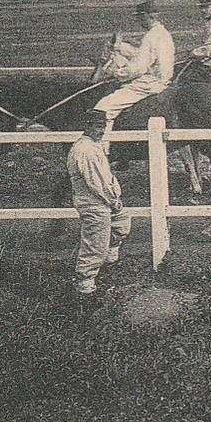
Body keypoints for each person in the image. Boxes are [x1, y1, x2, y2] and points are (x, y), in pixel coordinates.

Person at [67, 109, 130, 304]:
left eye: (102, 126)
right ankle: (85, 288)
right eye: (96, 126)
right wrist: (113, 201)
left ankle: (108, 264)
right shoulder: (85, 149)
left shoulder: (94, 146)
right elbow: (96, 183)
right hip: (94, 202)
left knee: (121, 225)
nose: (100, 130)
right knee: (95, 244)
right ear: (87, 126)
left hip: (103, 200)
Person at [94, 0, 175, 131]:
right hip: (162, 81)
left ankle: (102, 149)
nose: (139, 22)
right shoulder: (163, 33)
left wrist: (117, 73)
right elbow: (141, 54)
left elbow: (139, 68)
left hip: (147, 85)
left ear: (149, 17)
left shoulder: (151, 37)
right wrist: (118, 46)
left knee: (102, 109)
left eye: (140, 18)